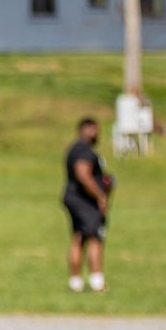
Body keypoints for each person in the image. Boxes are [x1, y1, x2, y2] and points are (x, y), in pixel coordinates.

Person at [62, 117, 112, 293]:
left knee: (78, 237)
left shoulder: (74, 148)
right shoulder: (84, 151)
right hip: (84, 200)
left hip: (72, 197)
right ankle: (97, 281)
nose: (98, 133)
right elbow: (83, 174)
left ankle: (75, 282)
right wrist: (100, 195)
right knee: (95, 238)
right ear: (87, 129)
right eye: (96, 129)